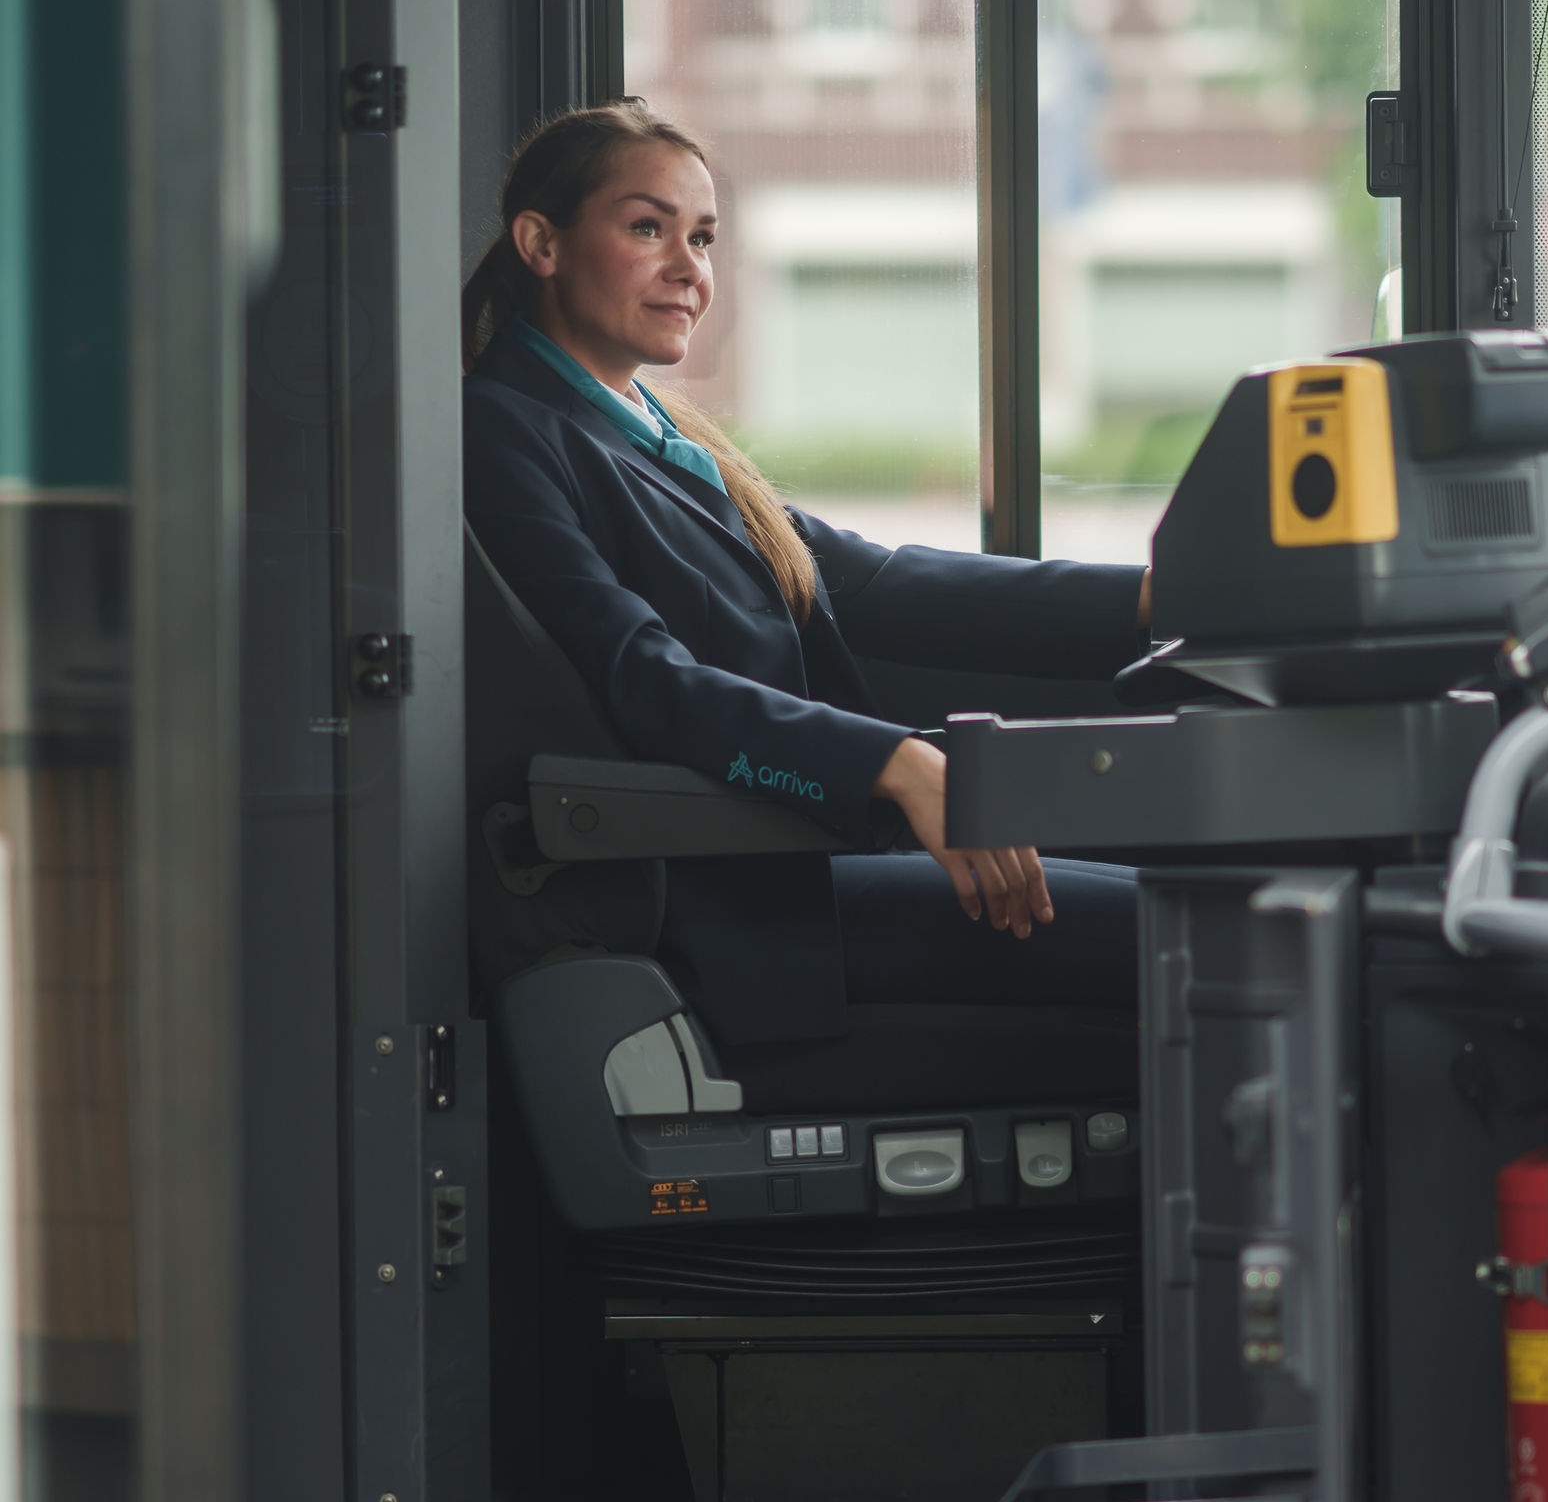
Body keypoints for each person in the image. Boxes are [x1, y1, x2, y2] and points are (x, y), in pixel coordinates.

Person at [461, 103, 1151, 1053]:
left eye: (702, 237)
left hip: (795, 857)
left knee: (1189, 896)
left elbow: (873, 584)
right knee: (1196, 937)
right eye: (646, 228)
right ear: (541, 242)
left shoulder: (654, 434)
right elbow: (644, 682)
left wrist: (1155, 603)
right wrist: (890, 764)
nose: (689, 269)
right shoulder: (505, 429)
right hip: (725, 891)